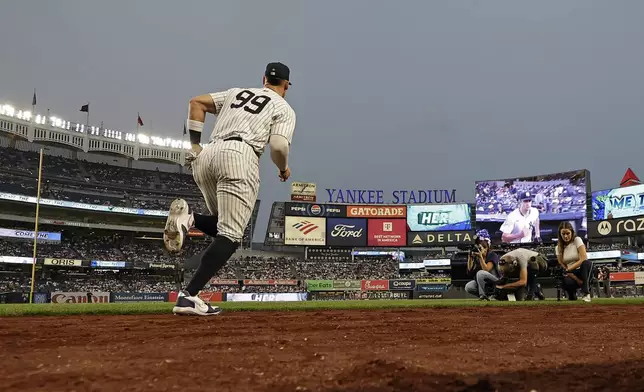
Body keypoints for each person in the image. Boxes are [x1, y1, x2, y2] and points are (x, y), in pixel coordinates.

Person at [164, 62, 297, 316]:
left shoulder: (237, 92)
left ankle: (189, 218)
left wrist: (194, 147)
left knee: (220, 225)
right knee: (231, 236)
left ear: (263, 79)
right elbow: (279, 147)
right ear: (286, 85)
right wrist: (283, 169)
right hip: (240, 155)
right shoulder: (283, 107)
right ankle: (189, 296)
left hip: (206, 155)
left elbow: (196, 103)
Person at [556, 221, 592, 302]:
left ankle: (586, 293)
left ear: (572, 232)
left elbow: (583, 258)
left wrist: (570, 268)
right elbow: (563, 266)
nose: (565, 236)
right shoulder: (558, 248)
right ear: (560, 234)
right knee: (566, 281)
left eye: (568, 233)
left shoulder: (577, 240)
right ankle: (572, 293)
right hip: (570, 274)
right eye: (563, 234)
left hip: (582, 270)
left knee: (587, 263)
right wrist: (575, 278)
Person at [464, 230, 500, 300]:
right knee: (468, 287)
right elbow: (470, 271)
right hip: (484, 283)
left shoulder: (492, 255)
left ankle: (483, 296)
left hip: (495, 281)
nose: (480, 247)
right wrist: (470, 258)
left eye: (483, 246)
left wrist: (481, 257)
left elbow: (486, 270)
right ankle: (489, 296)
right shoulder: (477, 257)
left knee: (480, 273)